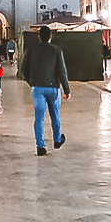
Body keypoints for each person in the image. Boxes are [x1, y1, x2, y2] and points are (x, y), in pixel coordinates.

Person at [21, 26, 70, 156]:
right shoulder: (56, 50)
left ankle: (40, 146)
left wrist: (31, 82)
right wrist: (66, 89)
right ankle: (57, 139)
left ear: (39, 36)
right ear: (50, 36)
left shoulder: (31, 50)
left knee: (39, 117)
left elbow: (23, 69)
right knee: (55, 115)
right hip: (53, 87)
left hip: (37, 88)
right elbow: (62, 71)